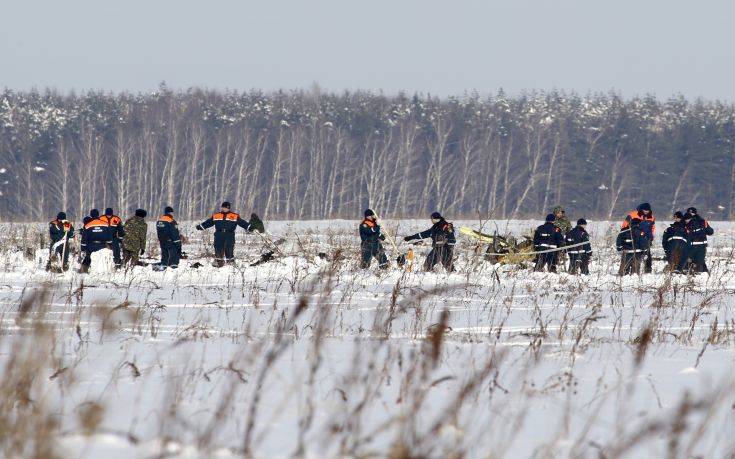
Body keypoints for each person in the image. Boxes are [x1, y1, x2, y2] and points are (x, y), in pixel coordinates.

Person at [196, 202, 254, 267]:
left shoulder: (234, 216)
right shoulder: (216, 215)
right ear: (222, 207)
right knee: (218, 247)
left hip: (229, 234)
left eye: (226, 208)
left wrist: (249, 227)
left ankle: (230, 262)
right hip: (219, 234)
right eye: (224, 207)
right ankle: (218, 262)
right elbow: (208, 222)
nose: (225, 209)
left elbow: (242, 223)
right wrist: (200, 226)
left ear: (229, 208)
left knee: (229, 247)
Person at [621, 203, 655, 273]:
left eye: (647, 210)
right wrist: (624, 234)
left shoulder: (651, 217)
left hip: (646, 238)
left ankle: (648, 270)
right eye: (644, 210)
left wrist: (651, 237)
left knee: (647, 254)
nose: (646, 211)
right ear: (641, 209)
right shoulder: (633, 215)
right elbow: (625, 225)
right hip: (634, 237)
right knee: (633, 253)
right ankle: (627, 269)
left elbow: (652, 227)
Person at [79, 209, 114, 273]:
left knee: (88, 258)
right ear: (98, 215)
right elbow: (109, 236)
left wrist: (83, 248)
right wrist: (111, 245)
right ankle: (105, 271)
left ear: (91, 215)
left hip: (91, 246)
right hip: (103, 245)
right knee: (103, 259)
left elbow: (84, 238)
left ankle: (83, 271)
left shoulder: (87, 225)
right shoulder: (105, 224)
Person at [684, 209, 714, 273]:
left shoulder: (685, 222)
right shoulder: (703, 221)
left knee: (688, 263)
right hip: (701, 247)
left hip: (690, 247)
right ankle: (702, 274)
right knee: (699, 263)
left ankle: (689, 277)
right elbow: (710, 232)